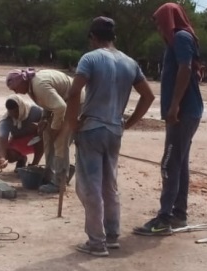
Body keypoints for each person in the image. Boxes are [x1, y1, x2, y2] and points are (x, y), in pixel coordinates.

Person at [65, 16, 155, 256]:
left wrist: (73, 124)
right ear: (114, 37)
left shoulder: (90, 58)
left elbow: (74, 93)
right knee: (110, 185)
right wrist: (129, 122)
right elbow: (148, 96)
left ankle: (96, 242)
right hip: (115, 130)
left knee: (90, 187)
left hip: (92, 129)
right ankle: (112, 236)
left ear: (92, 38)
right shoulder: (130, 62)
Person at [134, 2, 205, 236]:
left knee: (169, 163)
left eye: (158, 21)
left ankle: (164, 218)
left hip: (184, 112)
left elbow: (185, 69)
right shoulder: (179, 39)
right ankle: (178, 214)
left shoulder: (181, 38)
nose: (157, 27)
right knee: (180, 163)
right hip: (185, 111)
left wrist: (174, 105)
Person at [5, 67, 78, 193]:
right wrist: (44, 118)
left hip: (74, 103)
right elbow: (49, 102)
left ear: (21, 82)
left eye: (15, 88)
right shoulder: (32, 86)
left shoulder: (38, 85)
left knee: (60, 142)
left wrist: (55, 128)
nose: (16, 92)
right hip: (64, 103)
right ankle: (49, 176)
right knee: (47, 135)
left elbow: (60, 107)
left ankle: (59, 182)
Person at [0, 95, 44, 172]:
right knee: (9, 155)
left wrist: (40, 126)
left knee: (43, 136)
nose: (14, 115)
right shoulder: (6, 120)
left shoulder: (36, 111)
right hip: (19, 143)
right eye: (11, 112)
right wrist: (2, 158)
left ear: (21, 107)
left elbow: (50, 122)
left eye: (16, 111)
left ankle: (34, 164)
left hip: (37, 141)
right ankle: (21, 159)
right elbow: (2, 140)